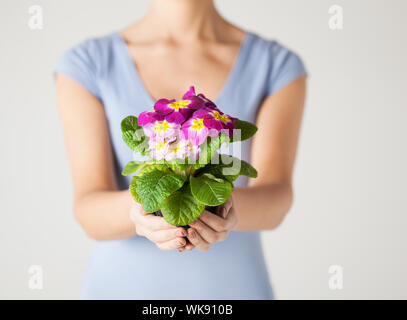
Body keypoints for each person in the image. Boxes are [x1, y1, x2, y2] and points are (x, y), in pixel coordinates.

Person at [55, 0, 306, 299]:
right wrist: (140, 211)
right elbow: (87, 210)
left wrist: (225, 207)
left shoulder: (276, 65)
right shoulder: (88, 63)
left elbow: (276, 198)